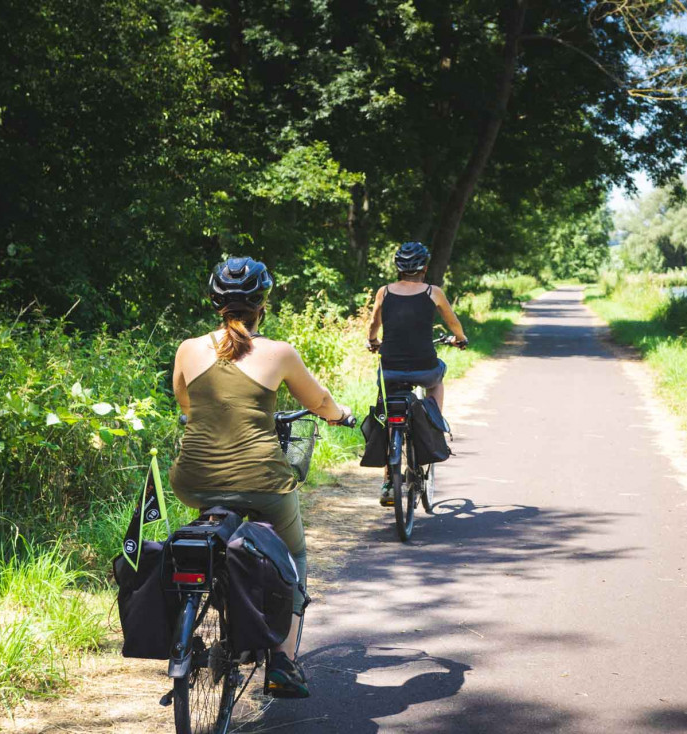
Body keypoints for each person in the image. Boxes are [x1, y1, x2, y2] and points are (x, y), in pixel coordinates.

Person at [169, 256, 352, 699]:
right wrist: (340, 414)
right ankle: (283, 662)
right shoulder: (279, 353)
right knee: (294, 555)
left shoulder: (189, 348)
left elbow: (186, 405)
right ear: (262, 305)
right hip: (263, 482)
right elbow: (319, 402)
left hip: (193, 479)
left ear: (215, 304)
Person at [366, 242, 467, 506]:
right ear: (424, 267)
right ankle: (433, 425)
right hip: (425, 368)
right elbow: (452, 322)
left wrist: (373, 341)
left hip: (390, 369)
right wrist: (460, 338)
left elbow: (374, 324)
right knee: (437, 380)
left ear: (398, 267)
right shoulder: (434, 292)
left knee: (389, 415)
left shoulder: (384, 292)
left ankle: (389, 480)